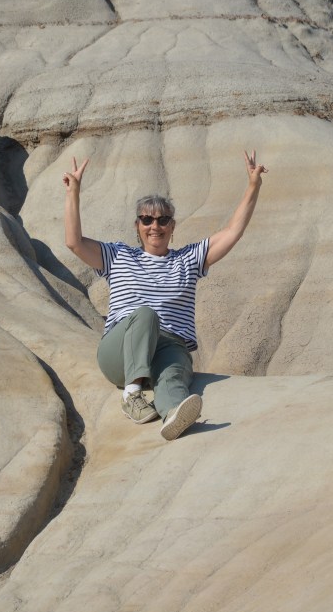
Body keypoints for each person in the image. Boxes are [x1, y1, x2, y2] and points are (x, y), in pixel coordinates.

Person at [63, 150, 268, 440]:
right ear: (137, 226)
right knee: (146, 315)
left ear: (173, 227)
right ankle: (132, 396)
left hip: (168, 346)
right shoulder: (118, 256)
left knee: (174, 371)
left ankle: (173, 414)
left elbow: (233, 231)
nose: (154, 226)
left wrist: (253, 186)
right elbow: (74, 242)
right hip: (119, 352)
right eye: (146, 220)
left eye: (162, 220)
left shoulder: (188, 259)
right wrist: (73, 193)